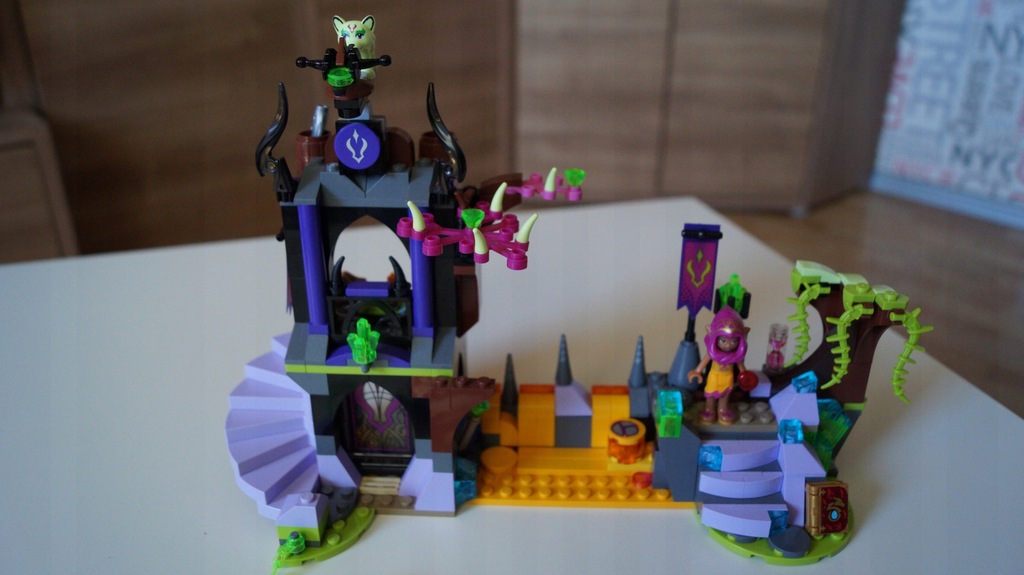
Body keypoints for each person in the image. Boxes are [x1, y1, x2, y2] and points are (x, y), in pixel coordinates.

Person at [688, 307, 750, 424]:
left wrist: (745, 377)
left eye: (734, 341)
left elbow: (742, 369)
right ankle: (709, 409)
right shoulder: (713, 354)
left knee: (725, 395)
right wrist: (697, 372)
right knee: (710, 394)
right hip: (714, 377)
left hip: (728, 378)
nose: (728, 345)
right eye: (723, 340)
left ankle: (723, 410)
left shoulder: (735, 356)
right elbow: (704, 362)